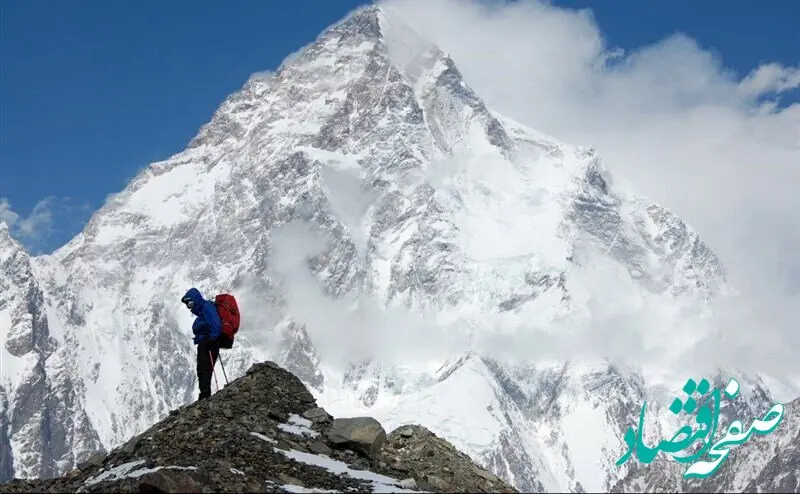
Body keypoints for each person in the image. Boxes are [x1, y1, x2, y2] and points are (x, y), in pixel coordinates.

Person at [181, 287, 223, 400]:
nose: (189, 307)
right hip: (206, 342)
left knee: (204, 369)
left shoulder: (207, 307)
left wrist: (212, 338)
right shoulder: (203, 310)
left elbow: (216, 324)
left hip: (209, 342)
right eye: (187, 305)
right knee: (203, 369)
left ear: (195, 299)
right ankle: (204, 394)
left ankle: (205, 395)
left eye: (190, 303)